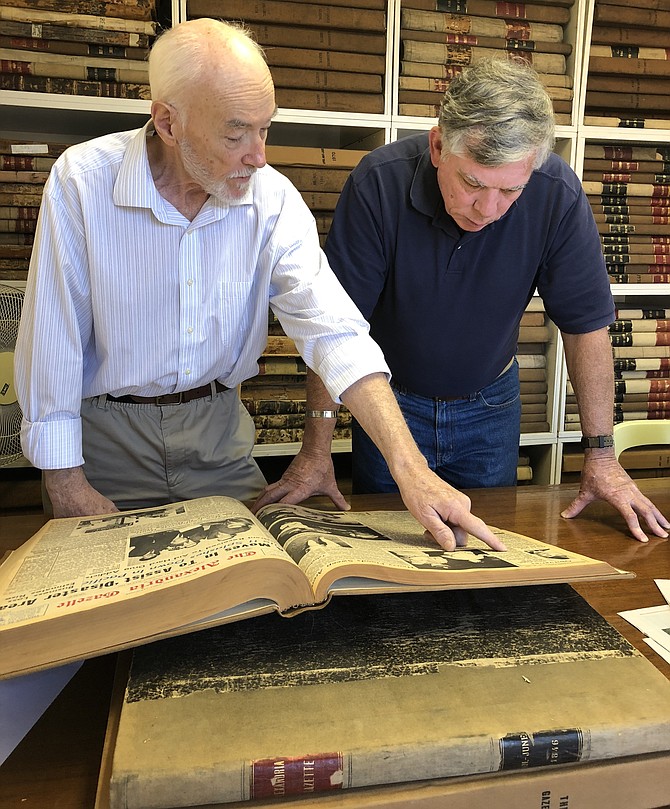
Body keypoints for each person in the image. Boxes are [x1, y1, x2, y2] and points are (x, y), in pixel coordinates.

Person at [14, 18, 506, 553]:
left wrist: (411, 469)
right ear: (168, 121)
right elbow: (52, 339)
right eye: (236, 132)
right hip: (105, 441)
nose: (259, 154)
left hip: (218, 437)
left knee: (264, 596)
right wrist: (64, 480)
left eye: (265, 129)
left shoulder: (271, 199)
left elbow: (335, 332)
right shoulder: (82, 182)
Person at [256, 57, 669, 544]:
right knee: (394, 550)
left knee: (484, 547)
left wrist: (601, 455)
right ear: (437, 146)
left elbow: (585, 326)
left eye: (509, 191)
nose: (489, 209)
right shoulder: (379, 183)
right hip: (393, 406)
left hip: (491, 407)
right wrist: (315, 449)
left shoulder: (556, 192)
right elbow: (334, 328)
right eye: (473, 183)